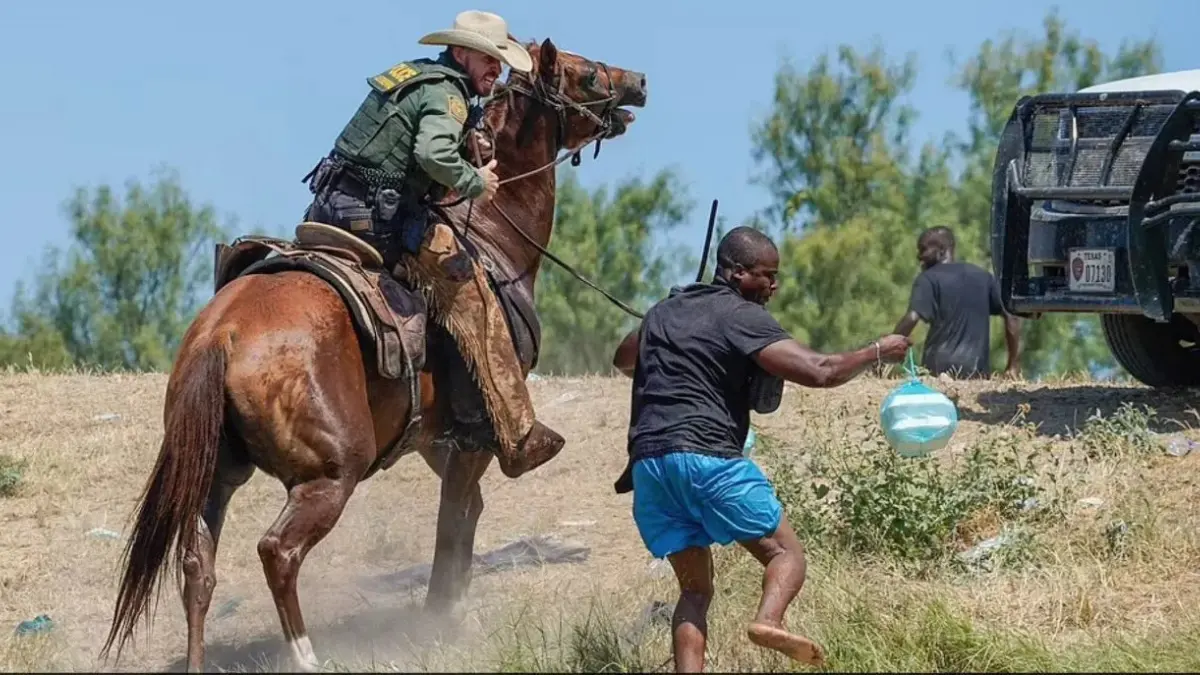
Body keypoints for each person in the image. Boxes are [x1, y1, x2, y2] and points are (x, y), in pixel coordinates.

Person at [610, 226, 911, 673]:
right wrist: (875, 350)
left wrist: (671, 310)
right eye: (766, 275)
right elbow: (821, 371)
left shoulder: (664, 310)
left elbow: (624, 358)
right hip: (709, 458)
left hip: (651, 469)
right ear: (734, 273)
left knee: (694, 592)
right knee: (785, 554)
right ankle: (769, 620)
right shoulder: (741, 316)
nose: (773, 286)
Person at [300, 10, 564, 477]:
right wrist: (475, 180)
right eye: (488, 59)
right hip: (380, 221)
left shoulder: (415, 78)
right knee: (474, 291)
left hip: (329, 208)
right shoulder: (449, 96)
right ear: (460, 52)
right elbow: (431, 153)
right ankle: (517, 432)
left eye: (500, 63)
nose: (496, 70)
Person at [890, 226, 1020, 379]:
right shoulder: (983, 277)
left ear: (942, 250)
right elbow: (1011, 316)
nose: (919, 257)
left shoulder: (928, 278)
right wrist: (1013, 364)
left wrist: (884, 354)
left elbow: (912, 318)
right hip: (976, 373)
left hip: (937, 370)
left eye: (923, 250)